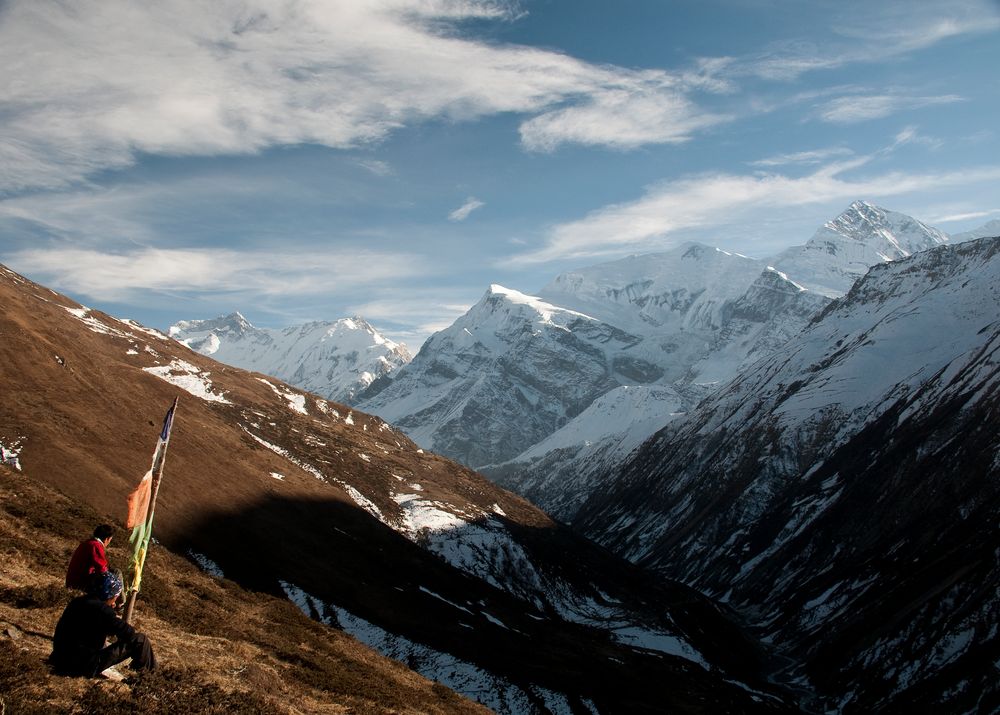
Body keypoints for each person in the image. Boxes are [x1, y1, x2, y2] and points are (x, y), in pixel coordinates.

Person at [49, 571, 156, 677]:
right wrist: (111, 613)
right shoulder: (102, 610)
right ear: (109, 595)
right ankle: (149, 676)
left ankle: (140, 670)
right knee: (140, 640)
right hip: (83, 666)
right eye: (115, 596)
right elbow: (128, 633)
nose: (115, 600)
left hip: (59, 658)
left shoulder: (77, 602)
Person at [65, 524, 114, 590]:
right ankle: (119, 599)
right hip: (80, 582)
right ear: (106, 539)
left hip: (74, 580)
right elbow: (102, 569)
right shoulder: (95, 546)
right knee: (116, 573)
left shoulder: (88, 543)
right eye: (110, 540)